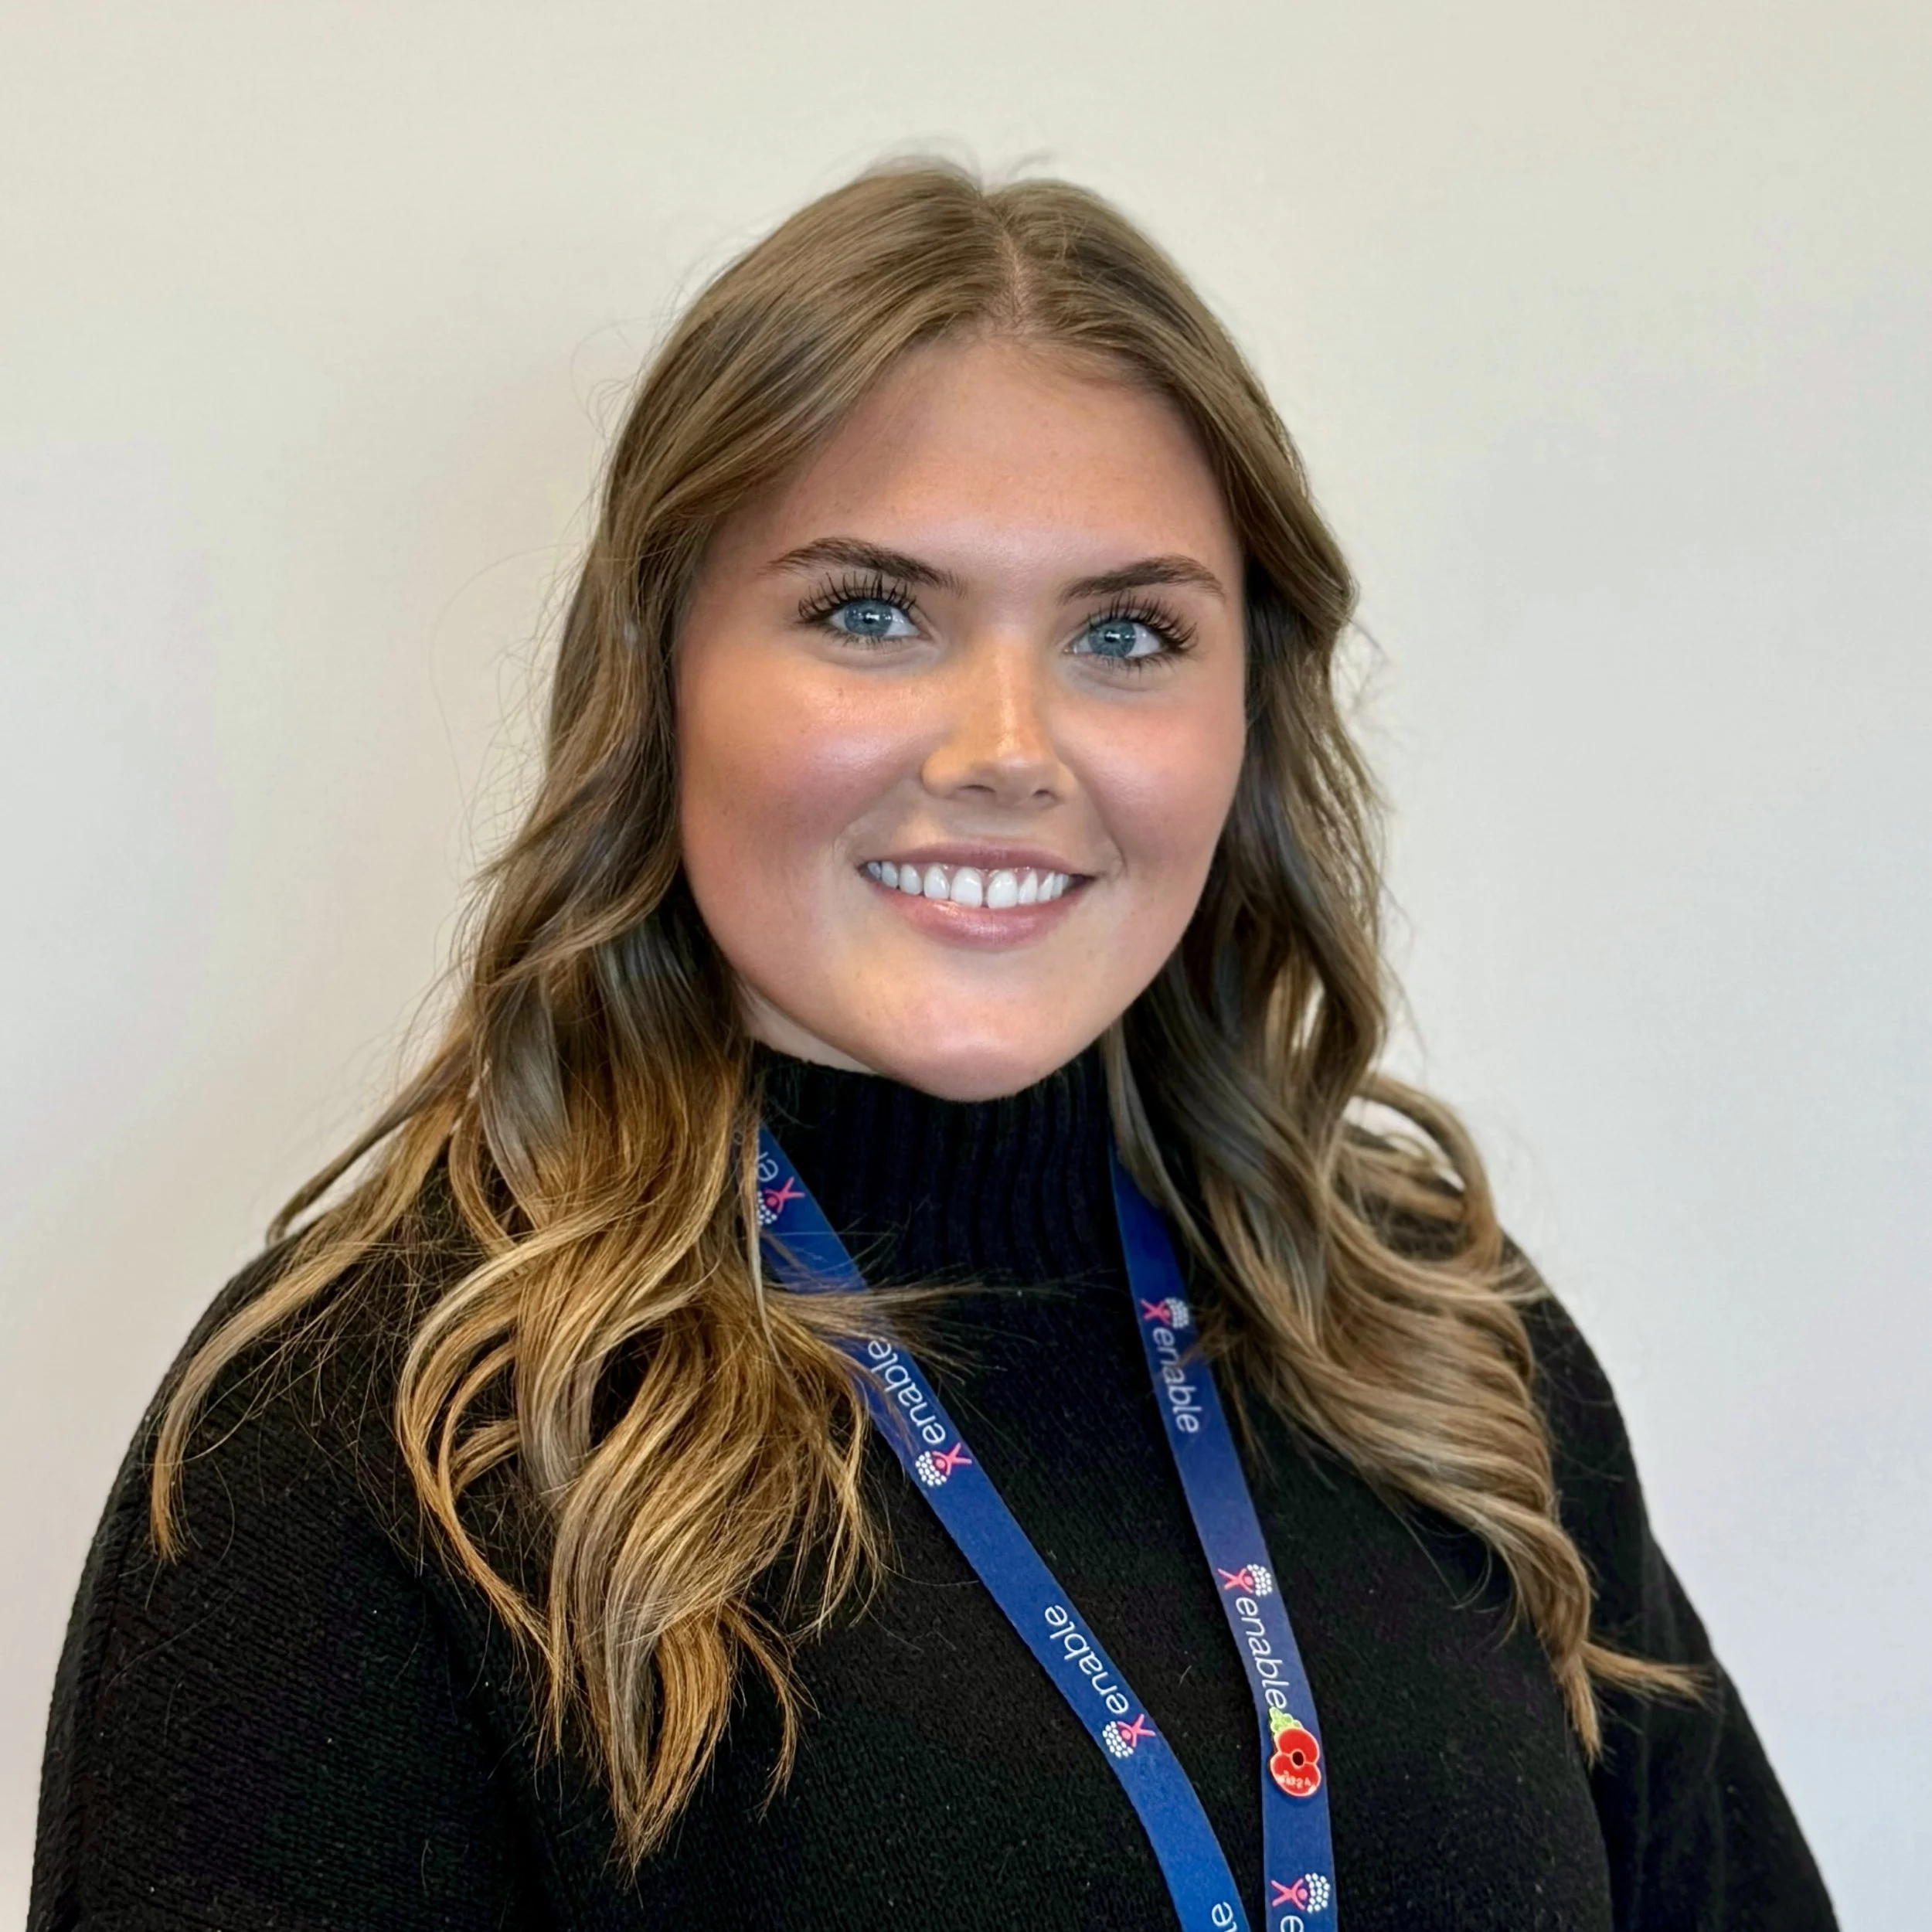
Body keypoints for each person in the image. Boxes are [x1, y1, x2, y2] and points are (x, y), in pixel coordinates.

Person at [31, 160, 1835, 1932]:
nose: (1007, 748)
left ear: (1246, 713)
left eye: (1124, 631)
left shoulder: (1434, 1340)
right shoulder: (379, 1435)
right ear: (660, 675)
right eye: (870, 612)